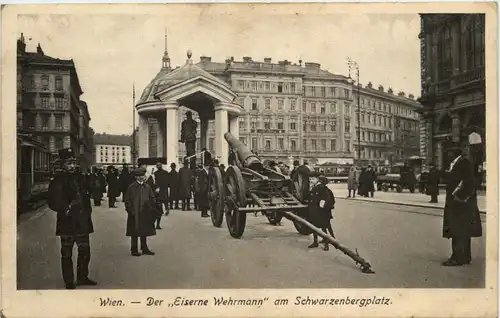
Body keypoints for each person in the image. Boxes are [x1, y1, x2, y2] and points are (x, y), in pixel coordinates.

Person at [48, 148, 97, 289]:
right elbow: (52, 202)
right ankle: (69, 281)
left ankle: (82, 277)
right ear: (62, 164)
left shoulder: (79, 177)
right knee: (67, 253)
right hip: (67, 222)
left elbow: (87, 194)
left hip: (82, 221)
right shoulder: (58, 180)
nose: (72, 165)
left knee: (85, 251)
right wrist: (66, 208)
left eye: (73, 162)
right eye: (69, 163)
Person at [441, 147, 482, 266]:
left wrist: (459, 197)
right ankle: (465, 256)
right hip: (460, 203)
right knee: (463, 230)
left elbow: (469, 181)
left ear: (453, 153)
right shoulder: (457, 163)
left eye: (448, 152)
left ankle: (457, 258)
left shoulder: (463, 163)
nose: (447, 155)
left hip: (460, 203)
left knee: (457, 230)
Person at [124, 167, 160, 257]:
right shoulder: (131, 187)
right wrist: (130, 210)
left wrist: (152, 206)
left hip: (145, 212)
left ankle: (144, 248)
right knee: (134, 232)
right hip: (134, 213)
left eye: (142, 176)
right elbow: (127, 200)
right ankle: (134, 249)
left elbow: (152, 198)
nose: (141, 178)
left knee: (144, 230)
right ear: (136, 177)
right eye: (139, 176)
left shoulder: (147, 187)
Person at [307, 175, 335, 251]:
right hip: (320, 212)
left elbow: (325, 199)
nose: (311, 181)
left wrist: (322, 207)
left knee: (319, 228)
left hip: (319, 212)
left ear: (318, 180)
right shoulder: (321, 188)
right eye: (310, 179)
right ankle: (321, 242)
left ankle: (323, 244)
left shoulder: (320, 188)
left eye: (312, 179)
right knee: (320, 227)